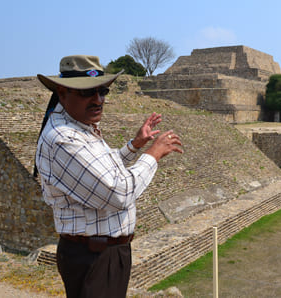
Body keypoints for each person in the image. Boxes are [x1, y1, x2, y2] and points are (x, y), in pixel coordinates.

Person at [34, 55, 183, 298]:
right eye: (87, 93)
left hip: (102, 253)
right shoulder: (64, 139)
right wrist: (153, 154)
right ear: (62, 92)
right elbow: (119, 192)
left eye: (103, 91)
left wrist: (134, 146)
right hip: (94, 257)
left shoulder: (78, 126)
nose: (98, 100)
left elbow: (99, 173)